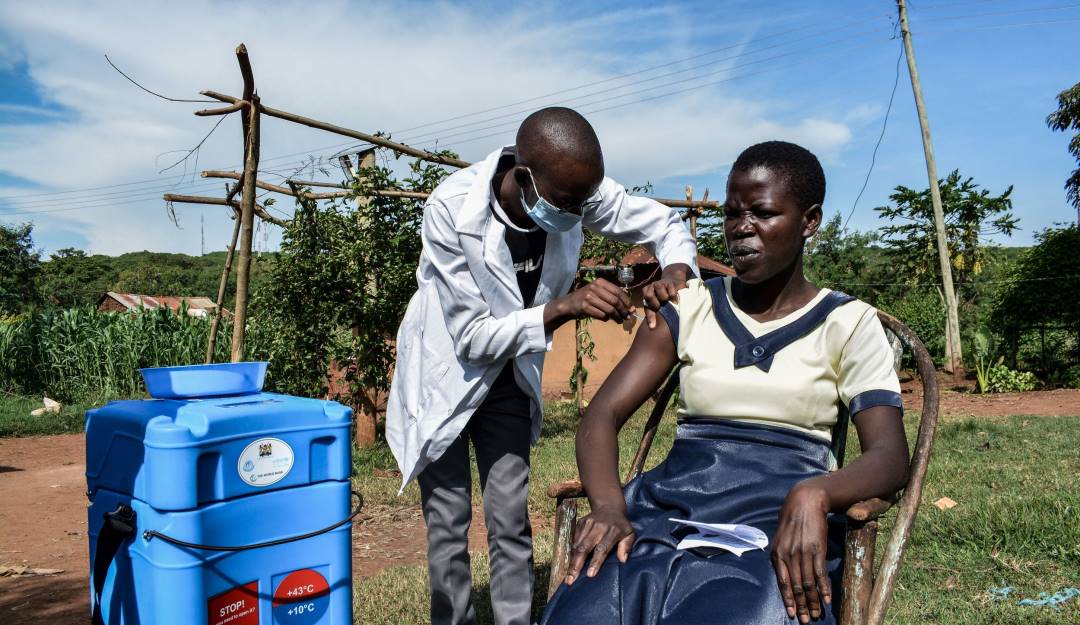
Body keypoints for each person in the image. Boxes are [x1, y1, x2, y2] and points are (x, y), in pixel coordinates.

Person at [541, 141, 910, 625]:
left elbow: (890, 456)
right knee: (592, 605)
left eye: (763, 212)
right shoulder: (688, 305)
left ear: (810, 220)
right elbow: (602, 416)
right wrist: (609, 507)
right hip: (671, 507)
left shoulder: (848, 323)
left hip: (777, 519)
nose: (741, 228)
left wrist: (815, 494)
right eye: (732, 213)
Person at [385, 106, 699, 625]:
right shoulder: (453, 209)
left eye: (584, 201)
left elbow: (664, 223)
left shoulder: (572, 192)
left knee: (508, 517)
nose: (579, 214)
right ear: (525, 177)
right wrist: (563, 307)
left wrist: (676, 269)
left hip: (509, 377)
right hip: (446, 377)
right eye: (569, 202)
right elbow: (472, 336)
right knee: (448, 521)